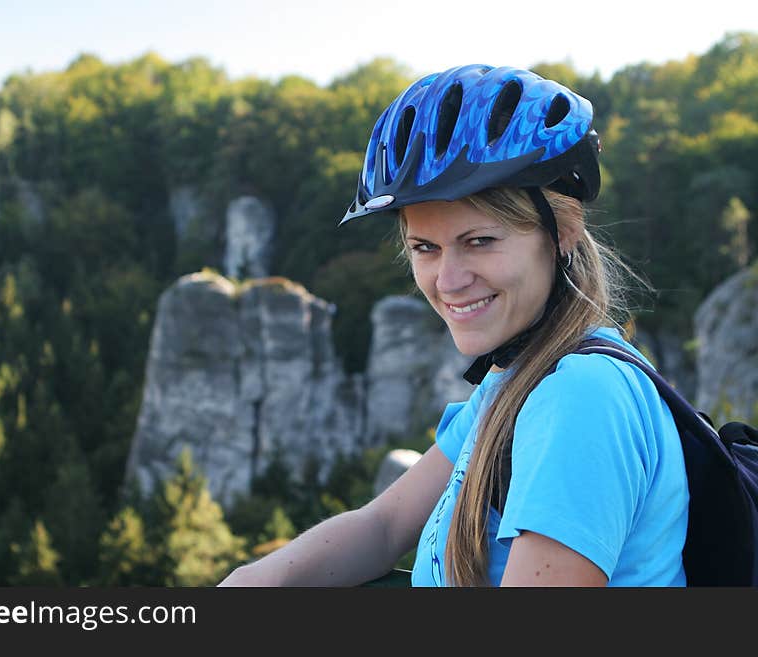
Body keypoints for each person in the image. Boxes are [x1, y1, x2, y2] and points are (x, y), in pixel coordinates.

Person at [218, 64, 688, 587]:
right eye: (425, 248)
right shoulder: (511, 383)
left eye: (480, 241)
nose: (448, 280)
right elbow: (383, 525)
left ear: (563, 233)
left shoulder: (581, 396)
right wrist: (253, 581)